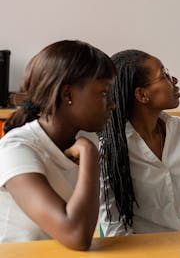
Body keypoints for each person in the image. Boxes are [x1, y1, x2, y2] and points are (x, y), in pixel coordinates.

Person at [0, 40, 115, 249]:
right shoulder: (16, 149)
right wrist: (90, 154)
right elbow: (77, 235)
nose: (112, 104)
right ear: (67, 94)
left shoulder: (85, 137)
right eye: (104, 93)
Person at [98, 50, 180, 236]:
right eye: (164, 75)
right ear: (142, 95)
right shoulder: (112, 146)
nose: (174, 80)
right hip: (140, 250)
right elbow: (115, 226)